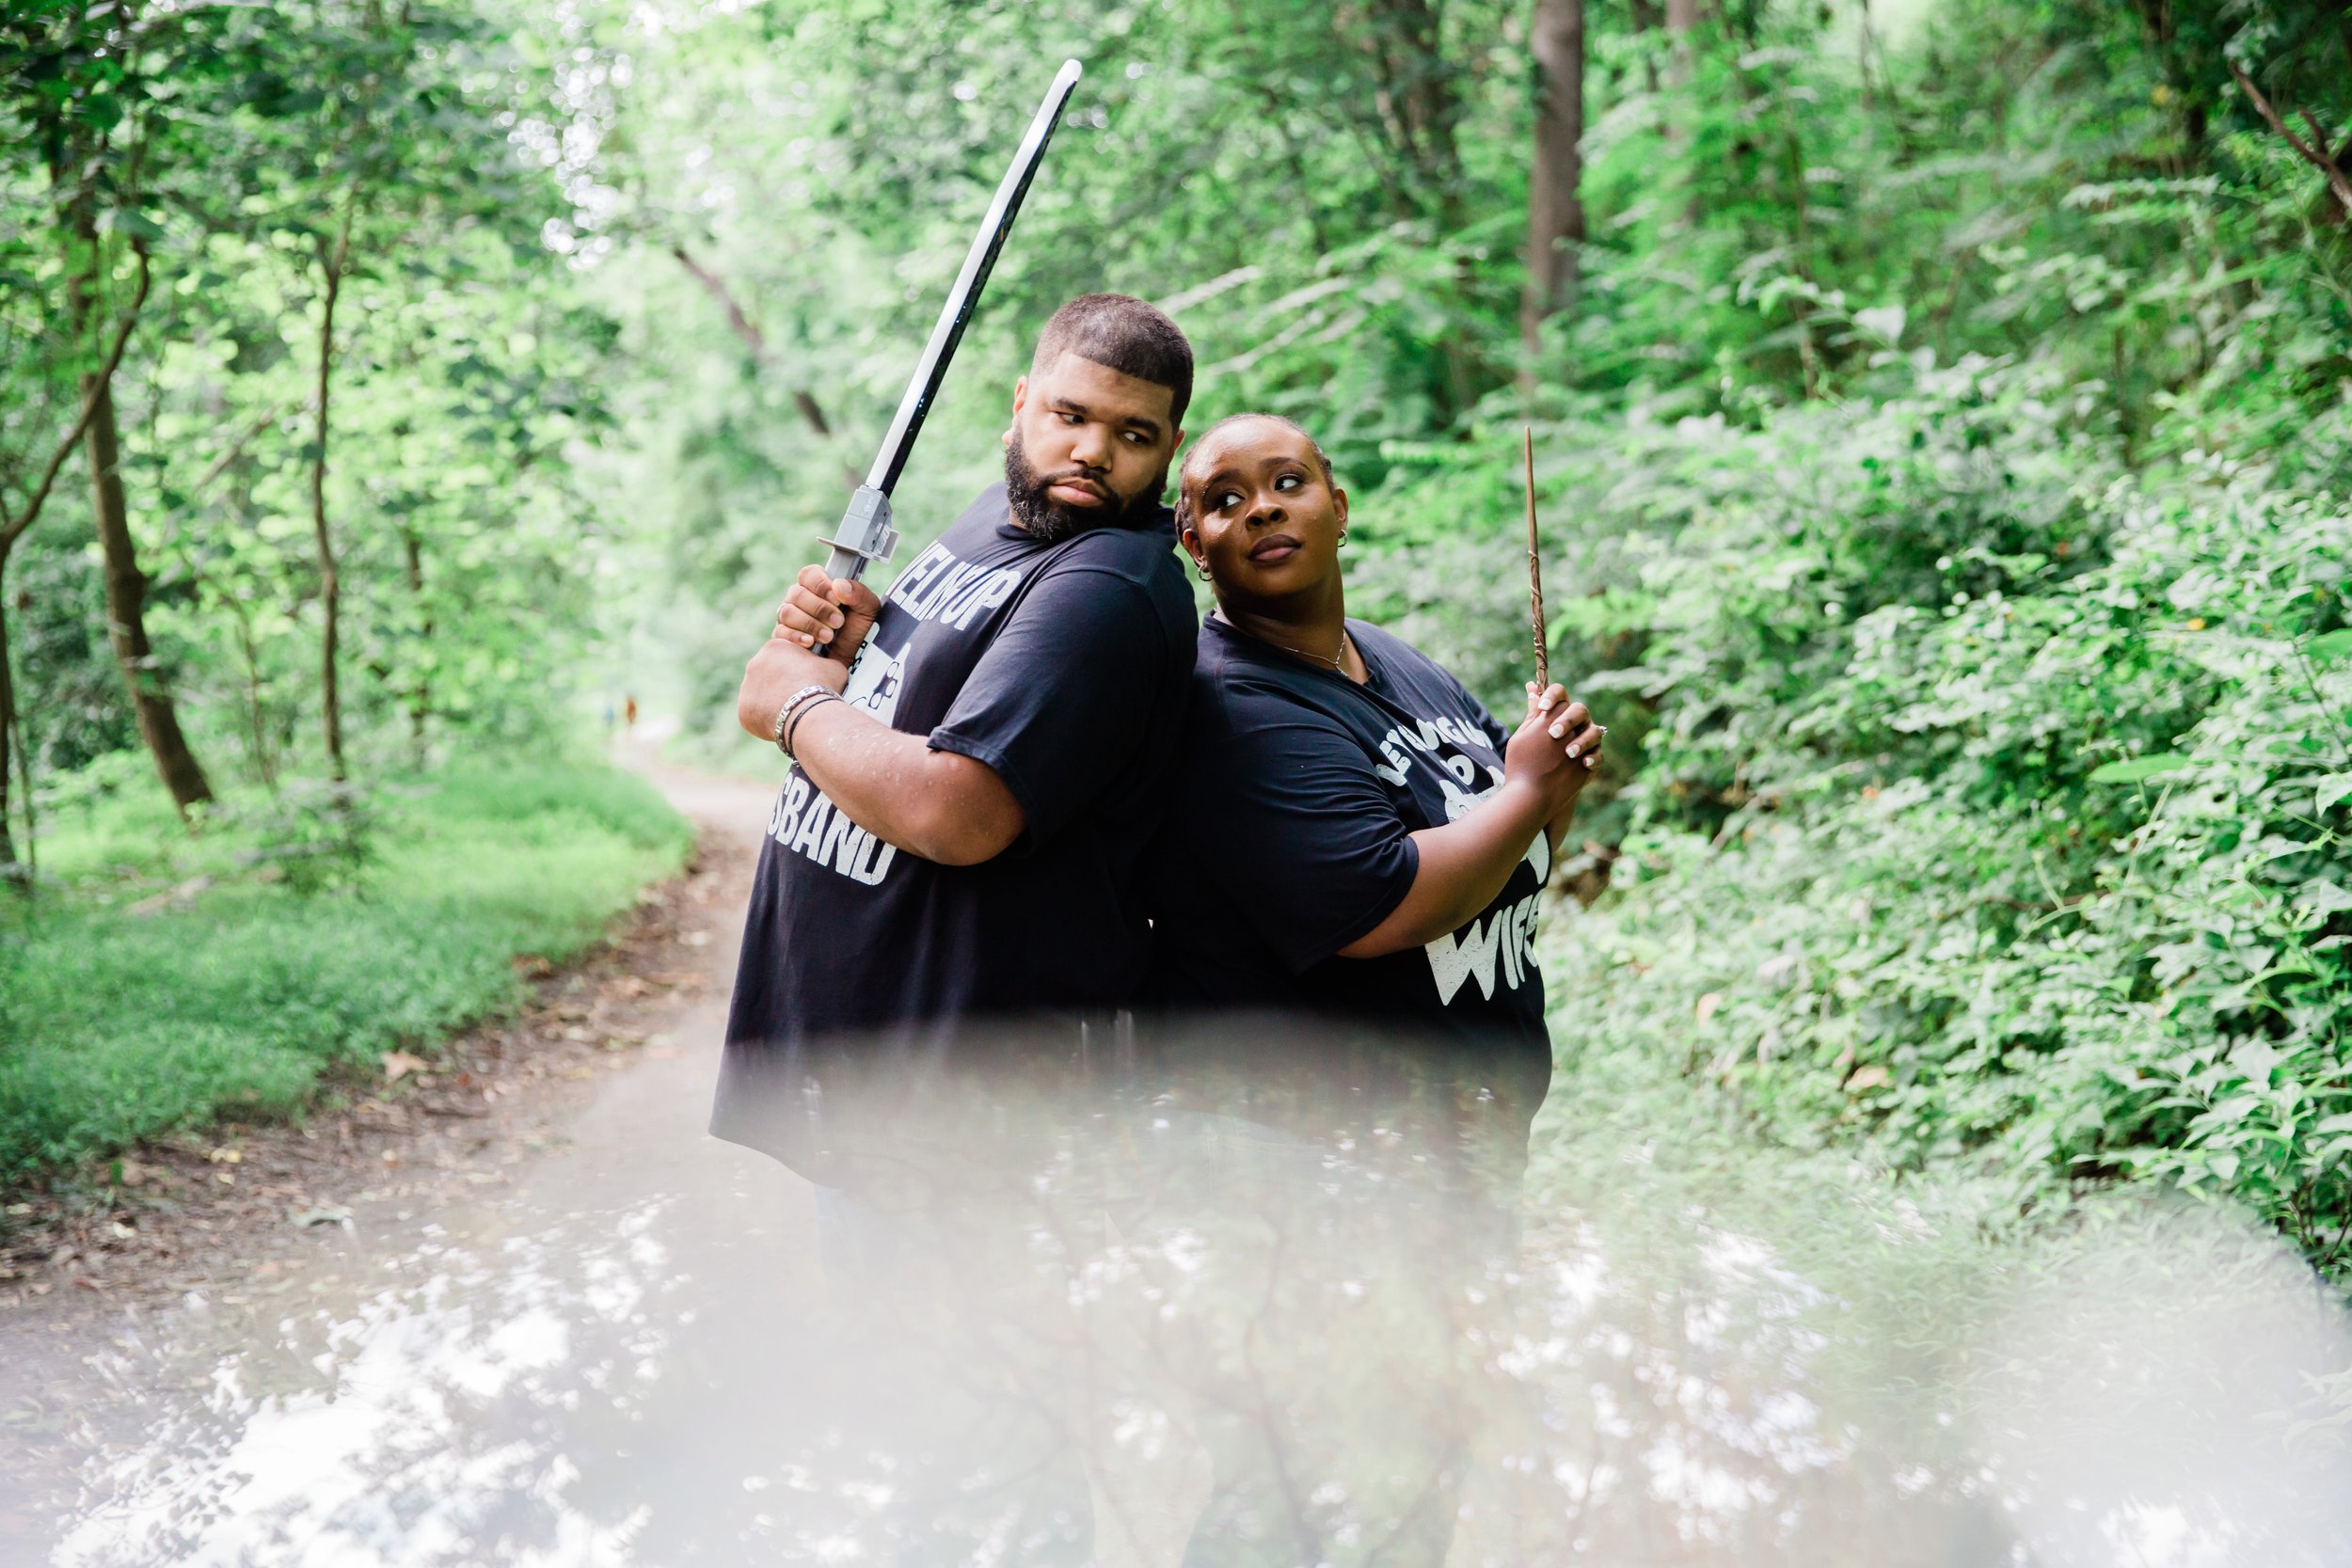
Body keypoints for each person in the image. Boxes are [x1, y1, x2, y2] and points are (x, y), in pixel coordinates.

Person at [712, 293, 1199, 1167]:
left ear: (1169, 450)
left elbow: (959, 809)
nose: (1092, 451)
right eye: (1071, 415)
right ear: (1021, 403)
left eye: (1134, 435)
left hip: (963, 1112)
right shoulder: (1006, 519)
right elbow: (950, 707)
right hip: (883, 1071)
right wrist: (869, 646)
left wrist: (793, 706)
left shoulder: (1109, 586)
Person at [1146, 412, 1605, 1064]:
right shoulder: (1233, 703)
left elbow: (1513, 842)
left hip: (1469, 1127)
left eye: (1287, 482)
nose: (1263, 510)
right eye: (1227, 500)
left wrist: (1559, 769)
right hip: (1333, 1137)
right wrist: (1533, 787)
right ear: (1196, 545)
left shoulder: (1386, 652)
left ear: (1338, 510)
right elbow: (1379, 905)